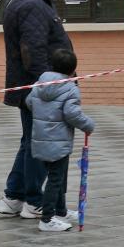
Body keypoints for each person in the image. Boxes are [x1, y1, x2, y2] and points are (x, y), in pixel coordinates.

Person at [0, 0, 73, 219]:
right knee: (40, 143)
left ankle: (13, 196)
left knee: (30, 140)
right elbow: (33, 50)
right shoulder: (31, 5)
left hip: (28, 86)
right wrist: (49, 85)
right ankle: (34, 200)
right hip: (38, 88)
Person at [25, 49, 95, 233]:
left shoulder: (40, 82)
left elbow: (29, 102)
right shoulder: (70, 87)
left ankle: (61, 211)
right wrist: (88, 125)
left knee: (57, 176)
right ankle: (47, 218)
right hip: (59, 141)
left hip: (41, 138)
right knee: (56, 179)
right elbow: (72, 113)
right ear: (72, 70)